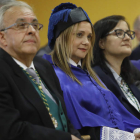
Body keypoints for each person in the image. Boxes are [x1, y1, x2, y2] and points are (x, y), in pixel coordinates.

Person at [43, 3, 140, 140]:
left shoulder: (90, 75)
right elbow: (83, 127)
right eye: (79, 35)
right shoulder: (55, 75)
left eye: (89, 37)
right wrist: (127, 137)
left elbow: (119, 115)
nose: (86, 42)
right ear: (61, 37)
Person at [0, 1, 82, 140]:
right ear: (2, 38)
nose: (32, 30)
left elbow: (64, 118)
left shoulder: (44, 66)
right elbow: (10, 130)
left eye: (35, 25)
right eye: (21, 25)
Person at [92, 15, 140, 120]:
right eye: (119, 33)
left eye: (128, 33)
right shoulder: (95, 78)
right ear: (101, 42)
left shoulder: (129, 74)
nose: (127, 38)